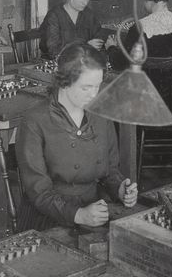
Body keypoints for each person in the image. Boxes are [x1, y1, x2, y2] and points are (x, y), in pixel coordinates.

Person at [14, 43, 137, 230]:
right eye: (86, 88)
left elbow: (110, 170)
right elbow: (39, 192)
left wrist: (120, 189)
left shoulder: (100, 114)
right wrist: (78, 214)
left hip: (95, 211)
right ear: (65, 81)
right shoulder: (34, 121)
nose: (94, 94)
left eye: (97, 86)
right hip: (48, 219)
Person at [39, 0, 104, 58]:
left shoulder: (88, 14)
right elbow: (53, 51)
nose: (85, 2)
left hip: (83, 63)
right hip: (55, 64)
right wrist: (85, 46)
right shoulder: (54, 16)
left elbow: (98, 38)